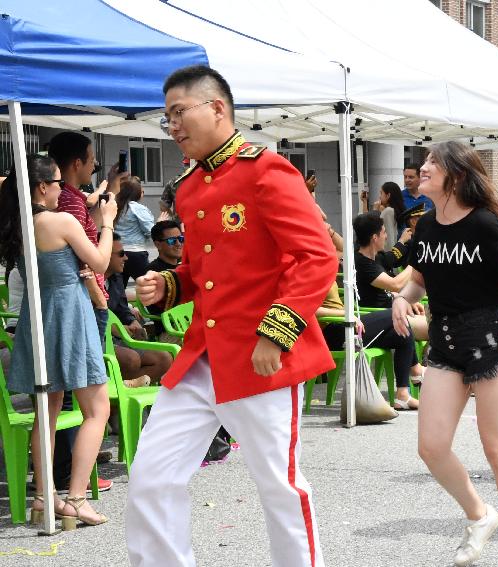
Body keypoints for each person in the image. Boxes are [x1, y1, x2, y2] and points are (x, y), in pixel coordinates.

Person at [126, 65, 337, 567]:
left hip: (262, 359)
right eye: (167, 117)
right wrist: (169, 284)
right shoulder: (192, 186)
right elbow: (203, 272)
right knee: (152, 477)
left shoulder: (267, 170)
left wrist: (278, 333)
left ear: (217, 108)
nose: (173, 125)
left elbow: (317, 257)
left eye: (180, 112)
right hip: (202, 358)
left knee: (280, 489)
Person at [392, 140, 498, 567]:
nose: (423, 168)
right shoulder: (427, 226)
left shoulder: (487, 225)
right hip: (445, 345)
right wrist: (403, 297)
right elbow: (419, 280)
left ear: (455, 174)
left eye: (432, 163)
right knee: (432, 447)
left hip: (492, 345)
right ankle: (480, 515)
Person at [0, 154, 115, 529]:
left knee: (45, 413)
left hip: (38, 315)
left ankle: (43, 496)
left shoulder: (18, 224)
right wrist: (109, 226)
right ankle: (77, 497)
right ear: (41, 187)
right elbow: (99, 263)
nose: (61, 189)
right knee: (97, 409)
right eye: (56, 183)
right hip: (69, 311)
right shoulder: (60, 220)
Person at [49, 131, 123, 494]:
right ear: (77, 163)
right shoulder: (68, 206)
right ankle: (73, 483)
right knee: (89, 401)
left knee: (60, 400)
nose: (94, 165)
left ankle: (68, 473)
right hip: (83, 303)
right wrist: (98, 296)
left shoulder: (69, 200)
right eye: (92, 159)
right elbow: (89, 260)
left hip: (70, 305)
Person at [317, 284, 423, 409]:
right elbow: (309, 309)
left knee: (400, 334)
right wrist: (346, 314)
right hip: (332, 332)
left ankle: (403, 395)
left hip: (343, 324)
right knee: (395, 314)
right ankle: (417, 371)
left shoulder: (326, 269)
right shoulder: (311, 271)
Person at [106, 234, 172, 386]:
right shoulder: (87, 282)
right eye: (121, 254)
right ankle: (118, 395)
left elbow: (122, 308)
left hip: (118, 337)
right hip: (97, 340)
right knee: (132, 359)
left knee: (164, 359)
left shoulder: (115, 278)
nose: (126, 258)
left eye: (181, 239)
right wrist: (116, 328)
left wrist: (132, 321)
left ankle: (126, 388)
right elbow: (88, 318)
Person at [353, 211, 429, 341]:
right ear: (374, 238)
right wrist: (415, 262)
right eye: (384, 232)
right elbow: (395, 285)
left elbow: (389, 290)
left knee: (436, 322)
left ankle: (418, 361)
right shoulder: (362, 263)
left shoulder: (377, 258)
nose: (386, 236)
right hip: (380, 318)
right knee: (435, 329)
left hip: (391, 312)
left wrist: (407, 301)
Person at [114, 176, 155, 285]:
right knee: (148, 285)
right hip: (136, 253)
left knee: (118, 290)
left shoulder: (116, 206)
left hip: (116, 253)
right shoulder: (138, 208)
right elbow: (151, 231)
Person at [359, 181, 405, 250]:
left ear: (388, 195)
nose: (379, 196)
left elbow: (389, 238)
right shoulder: (390, 210)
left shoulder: (388, 211)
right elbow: (367, 221)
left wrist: (375, 210)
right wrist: (365, 202)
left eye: (381, 193)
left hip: (386, 254)